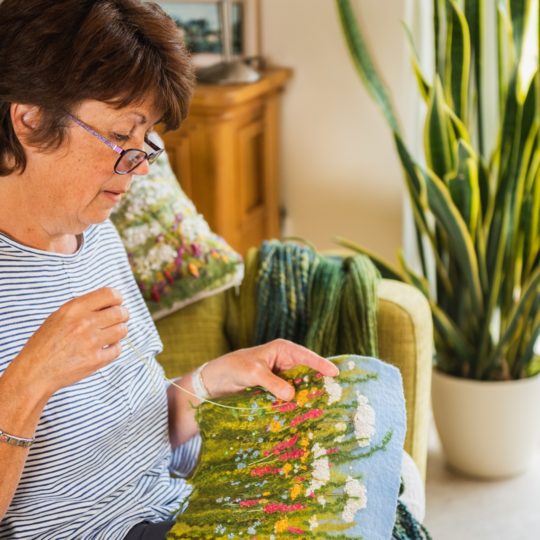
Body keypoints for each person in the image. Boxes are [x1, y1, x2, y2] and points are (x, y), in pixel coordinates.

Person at [0, 1, 340, 538]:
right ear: (31, 118)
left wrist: (207, 382)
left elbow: (127, 433)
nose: (135, 166)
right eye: (120, 136)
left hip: (168, 508)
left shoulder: (96, 233)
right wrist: (30, 379)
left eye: (146, 142)